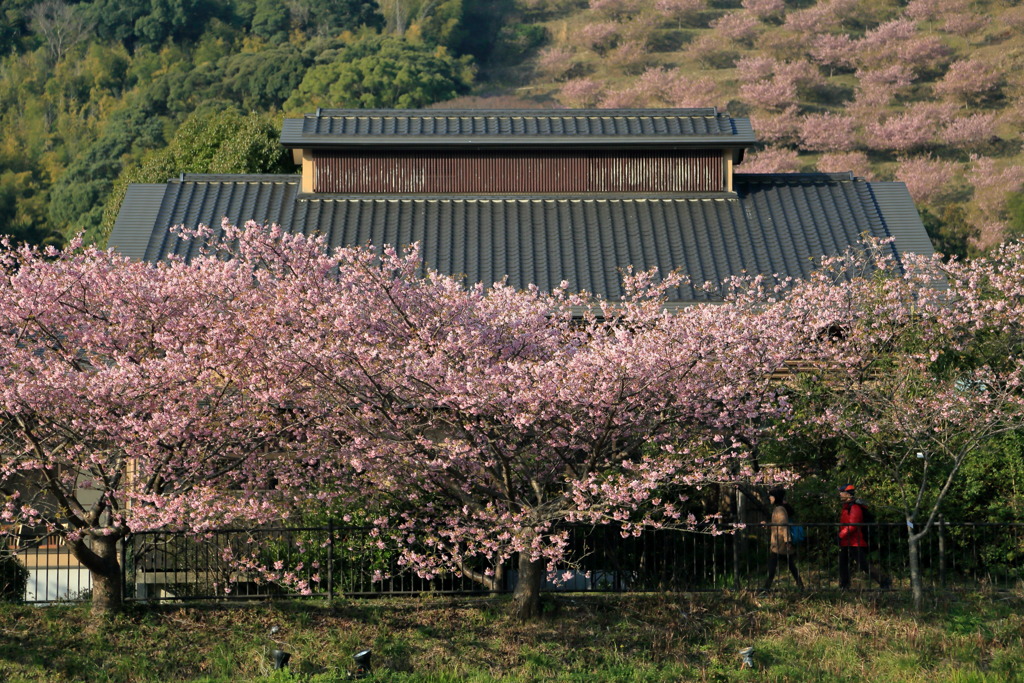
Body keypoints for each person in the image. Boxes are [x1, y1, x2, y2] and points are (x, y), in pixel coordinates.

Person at [838, 484, 891, 590]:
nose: (839, 494)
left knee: (864, 565)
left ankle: (884, 581)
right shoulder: (846, 507)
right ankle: (844, 586)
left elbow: (853, 525)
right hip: (846, 541)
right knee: (843, 564)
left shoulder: (854, 507)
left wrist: (840, 535)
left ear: (847, 494)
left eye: (841, 492)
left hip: (855, 542)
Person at [762, 487, 803, 591]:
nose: (770, 498)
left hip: (780, 543)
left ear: (776, 497)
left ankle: (766, 588)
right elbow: (778, 524)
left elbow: (783, 525)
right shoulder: (779, 508)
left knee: (773, 566)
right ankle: (800, 585)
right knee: (790, 565)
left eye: (771, 496)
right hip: (780, 542)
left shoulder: (780, 509)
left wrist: (787, 540)